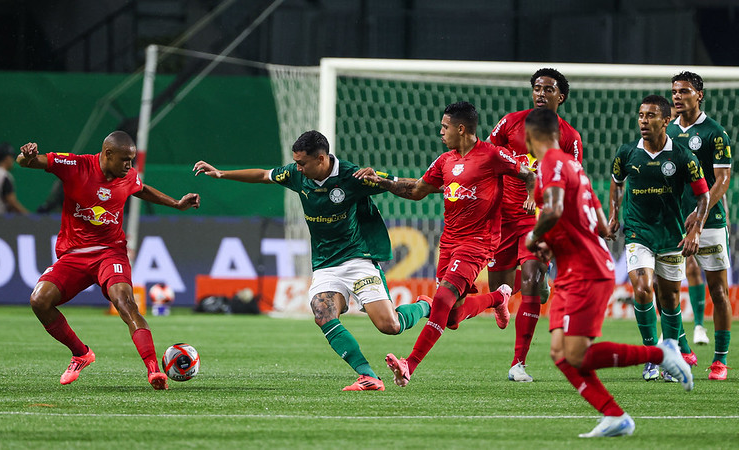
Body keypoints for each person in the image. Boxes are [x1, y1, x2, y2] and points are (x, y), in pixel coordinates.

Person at [192, 130, 431, 391]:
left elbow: (413, 188)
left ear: (321, 159)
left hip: (358, 259)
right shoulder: (297, 175)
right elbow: (263, 175)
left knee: (390, 326)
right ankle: (368, 375)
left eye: (302, 163)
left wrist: (392, 182)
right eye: (295, 162)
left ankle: (425, 305)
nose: (297, 168)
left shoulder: (353, 176)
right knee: (322, 312)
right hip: (325, 265)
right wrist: (221, 174)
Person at [523, 106, 693, 438]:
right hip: (571, 268)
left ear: (529, 137)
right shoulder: (573, 166)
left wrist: (534, 237)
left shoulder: (551, 164)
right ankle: (615, 417)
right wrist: (555, 242)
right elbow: (600, 222)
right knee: (560, 353)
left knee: (577, 354)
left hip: (586, 270)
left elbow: (556, 209)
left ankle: (661, 353)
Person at [356, 101, 535, 387]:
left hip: (479, 242)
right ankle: (499, 297)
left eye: (445, 127)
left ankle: (409, 365)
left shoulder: (493, 156)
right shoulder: (445, 161)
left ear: (461, 129)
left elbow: (529, 174)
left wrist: (531, 196)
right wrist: (382, 182)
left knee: (441, 299)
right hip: (449, 242)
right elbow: (416, 190)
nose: (441, 132)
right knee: (451, 317)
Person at [17, 131, 201, 390]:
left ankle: (153, 371)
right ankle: (81, 353)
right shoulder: (76, 165)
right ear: (107, 154)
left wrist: (177, 204)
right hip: (75, 254)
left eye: (132, 159)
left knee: (126, 304)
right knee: (39, 300)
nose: (130, 165)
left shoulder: (128, 175)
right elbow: (29, 163)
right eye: (125, 159)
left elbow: (142, 189)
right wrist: (26, 157)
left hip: (110, 252)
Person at [486, 68, 583, 382]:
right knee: (499, 288)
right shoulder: (511, 121)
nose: (541, 93)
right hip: (502, 216)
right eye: (537, 88)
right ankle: (514, 294)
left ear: (561, 96)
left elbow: (572, 179)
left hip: (539, 218)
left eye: (549, 89)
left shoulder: (570, 137)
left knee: (529, 278)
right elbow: (488, 151)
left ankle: (518, 364)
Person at [607, 95, 710, 382]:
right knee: (642, 288)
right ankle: (651, 356)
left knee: (670, 299)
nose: (643, 120)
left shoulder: (682, 156)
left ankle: (670, 358)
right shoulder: (627, 153)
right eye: (641, 115)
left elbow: (703, 196)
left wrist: (696, 230)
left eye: (650, 115)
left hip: (671, 234)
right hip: (638, 232)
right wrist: (614, 216)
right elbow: (616, 185)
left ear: (666, 120)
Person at [669, 71, 733, 380]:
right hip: (673, 220)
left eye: (684, 91)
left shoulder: (714, 132)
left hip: (709, 221)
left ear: (700, 95)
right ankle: (684, 349)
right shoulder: (666, 131)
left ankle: (720, 360)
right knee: (663, 289)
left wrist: (701, 214)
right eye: (675, 92)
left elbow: (723, 180)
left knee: (718, 291)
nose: (678, 96)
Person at [0, 142, 29, 215]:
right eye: (12, 157)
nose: (13, 160)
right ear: (7, 158)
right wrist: (27, 215)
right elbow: (11, 201)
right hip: (0, 220)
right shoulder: (4, 175)